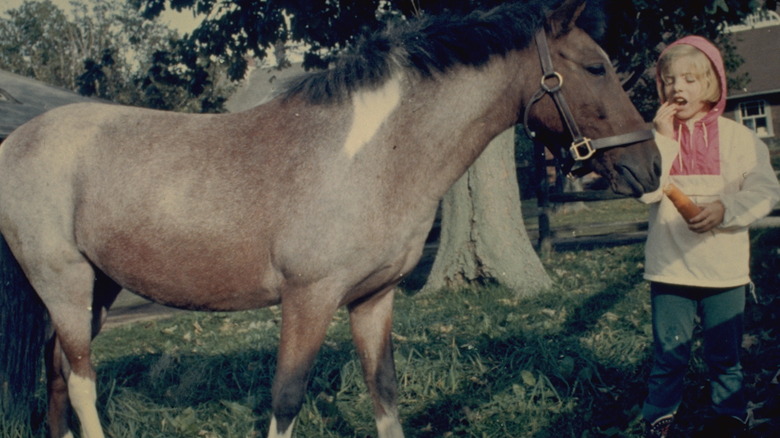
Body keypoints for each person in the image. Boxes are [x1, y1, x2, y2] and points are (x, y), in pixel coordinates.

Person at [638, 36, 780, 438]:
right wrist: (662, 140)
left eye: (689, 79)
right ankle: (658, 418)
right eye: (668, 81)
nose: (677, 88)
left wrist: (725, 208)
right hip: (670, 268)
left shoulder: (739, 138)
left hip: (723, 269)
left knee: (724, 355)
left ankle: (730, 415)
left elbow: (765, 190)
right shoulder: (654, 141)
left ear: (711, 84)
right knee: (670, 353)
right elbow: (648, 190)